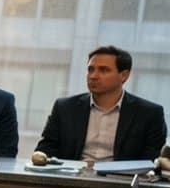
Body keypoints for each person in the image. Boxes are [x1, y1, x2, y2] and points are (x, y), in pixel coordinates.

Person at [35, 46, 168, 162]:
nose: (93, 76)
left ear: (124, 75)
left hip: (121, 185)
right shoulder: (64, 108)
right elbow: (45, 151)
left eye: (103, 70)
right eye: (90, 69)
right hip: (71, 180)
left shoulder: (149, 114)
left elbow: (151, 161)